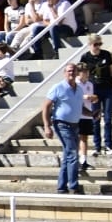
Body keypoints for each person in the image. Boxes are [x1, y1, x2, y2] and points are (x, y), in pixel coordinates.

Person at [42, 62, 95, 195]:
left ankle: (62, 187)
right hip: (61, 124)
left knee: (67, 156)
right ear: (64, 73)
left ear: (77, 73)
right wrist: (47, 126)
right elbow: (46, 106)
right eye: (69, 71)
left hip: (75, 124)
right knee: (73, 154)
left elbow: (80, 107)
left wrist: (92, 114)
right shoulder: (58, 87)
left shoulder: (79, 89)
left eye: (74, 70)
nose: (71, 73)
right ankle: (74, 186)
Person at [81, 34, 112, 157]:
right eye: (95, 44)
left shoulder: (106, 54)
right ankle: (97, 146)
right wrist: (83, 90)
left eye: (100, 44)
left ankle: (108, 145)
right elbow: (82, 73)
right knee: (95, 118)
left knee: (108, 118)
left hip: (107, 88)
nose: (98, 47)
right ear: (90, 45)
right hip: (94, 90)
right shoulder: (85, 57)